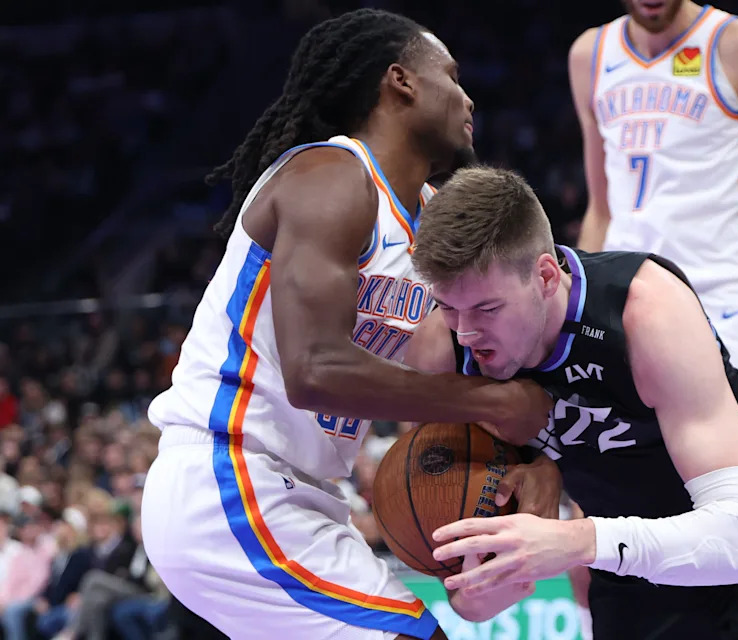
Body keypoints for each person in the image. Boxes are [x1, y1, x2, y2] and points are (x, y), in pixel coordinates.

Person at [141, 10, 552, 640]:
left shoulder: (430, 219)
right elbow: (315, 371)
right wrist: (495, 401)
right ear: (401, 81)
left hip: (308, 493)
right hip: (230, 478)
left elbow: (446, 366)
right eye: (451, 76)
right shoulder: (331, 177)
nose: (468, 97)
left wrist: (523, 464)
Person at [404, 167, 738, 639]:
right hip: (630, 558)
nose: (467, 332)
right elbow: (468, 598)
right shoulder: (441, 352)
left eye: (487, 309)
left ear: (547, 277)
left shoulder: (644, 311)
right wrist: (483, 582)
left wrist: (576, 541)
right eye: (450, 307)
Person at [568, 0, 738, 418]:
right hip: (623, 305)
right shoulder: (589, 55)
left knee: (736, 477)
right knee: (636, 480)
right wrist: (578, 323)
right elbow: (601, 210)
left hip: (723, 299)